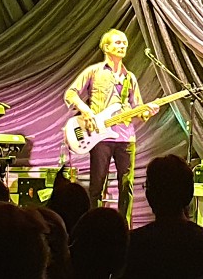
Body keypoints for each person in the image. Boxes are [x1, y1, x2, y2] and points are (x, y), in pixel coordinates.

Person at [64, 29, 159, 220]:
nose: (122, 46)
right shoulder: (94, 72)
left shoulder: (129, 77)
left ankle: (125, 226)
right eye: (118, 42)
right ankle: (94, 224)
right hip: (100, 136)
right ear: (106, 47)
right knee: (97, 185)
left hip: (126, 137)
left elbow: (138, 109)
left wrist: (148, 112)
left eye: (124, 43)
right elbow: (71, 94)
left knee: (126, 186)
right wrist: (86, 110)